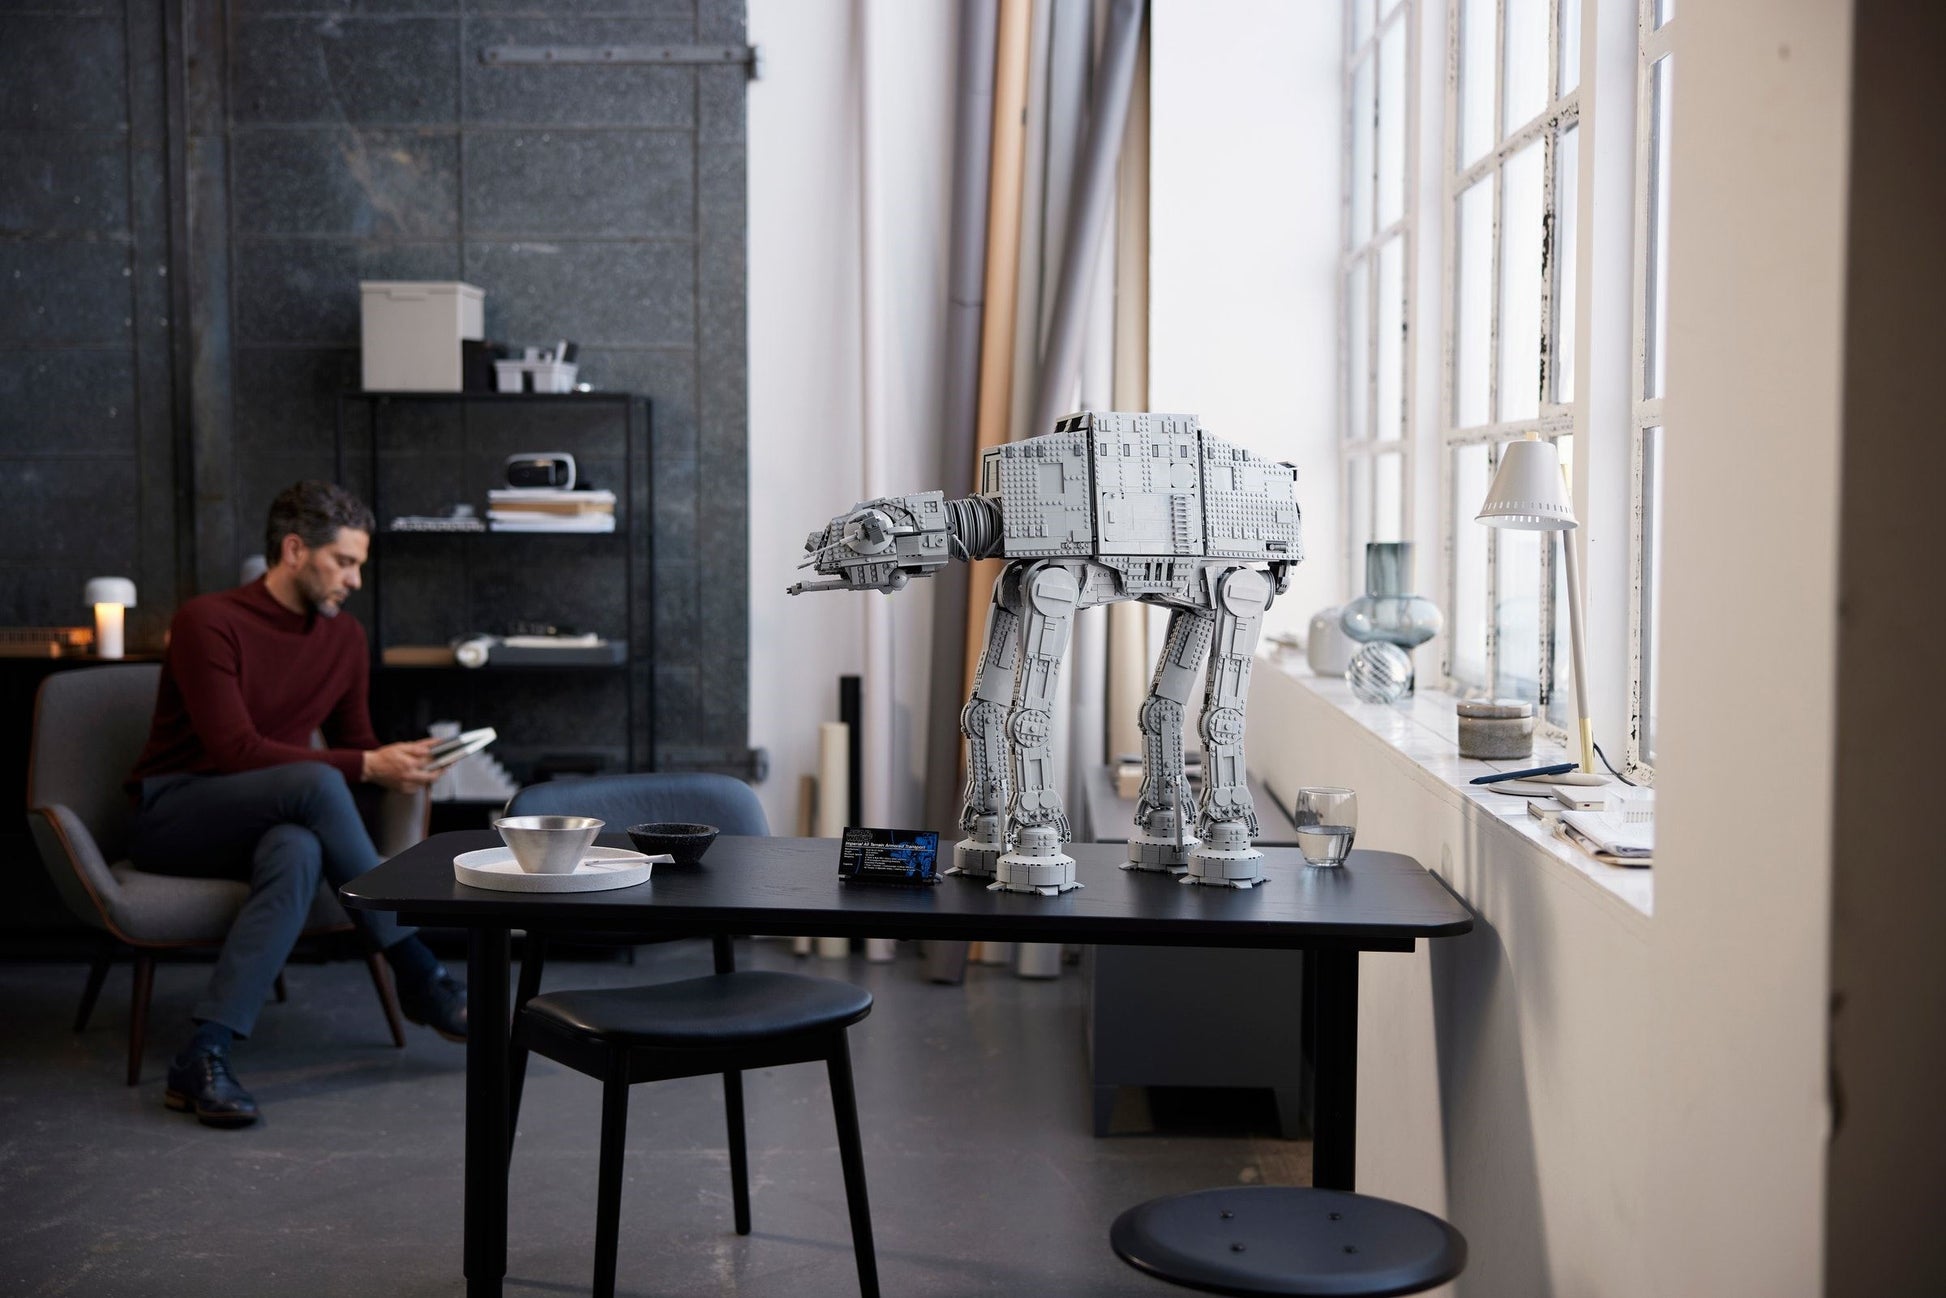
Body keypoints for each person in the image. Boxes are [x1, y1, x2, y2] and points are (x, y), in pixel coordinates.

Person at [127, 481, 466, 1128]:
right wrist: (364, 765)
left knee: (299, 847)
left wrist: (401, 765)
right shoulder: (207, 622)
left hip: (272, 819)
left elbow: (356, 746)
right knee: (313, 786)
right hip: (174, 815)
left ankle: (204, 1052)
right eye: (344, 562)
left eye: (359, 565)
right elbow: (234, 751)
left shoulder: (344, 639)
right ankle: (419, 970)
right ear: (294, 551)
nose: (356, 580)